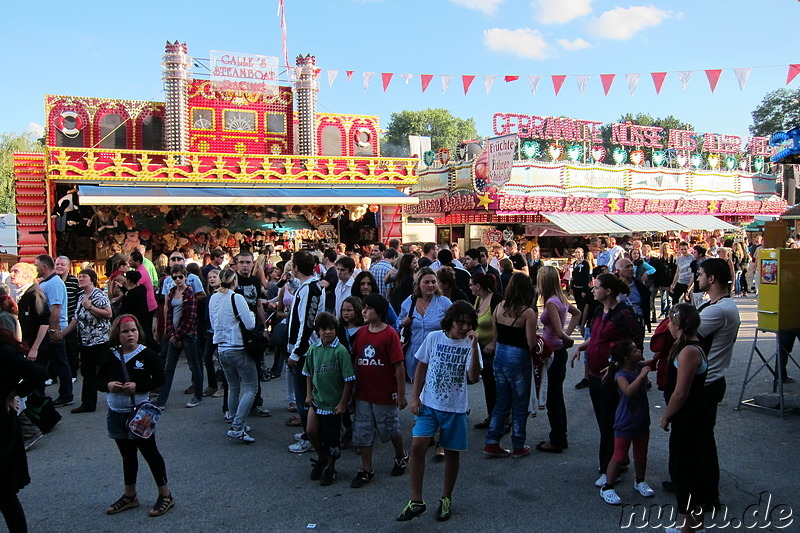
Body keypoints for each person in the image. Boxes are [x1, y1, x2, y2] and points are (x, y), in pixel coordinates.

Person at [397, 301, 482, 522]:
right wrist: (415, 397)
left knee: (452, 454)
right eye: (460, 322)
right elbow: (421, 367)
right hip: (429, 405)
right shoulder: (434, 338)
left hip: (455, 408)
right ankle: (416, 500)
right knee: (417, 447)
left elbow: (473, 377)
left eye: (468, 323)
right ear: (450, 321)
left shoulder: (470, 344)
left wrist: (473, 348)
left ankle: (446, 497)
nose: (464, 327)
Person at [96, 315, 174, 517]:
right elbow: (97, 380)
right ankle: (130, 495)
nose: (130, 335)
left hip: (141, 414)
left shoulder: (146, 354)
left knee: (150, 453)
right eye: (125, 331)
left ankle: (165, 494)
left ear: (139, 331)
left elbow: (160, 379)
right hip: (116, 414)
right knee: (127, 455)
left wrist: (138, 387)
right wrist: (108, 385)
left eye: (133, 330)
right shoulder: (110, 355)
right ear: (117, 335)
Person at [570, 273, 641, 487]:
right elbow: (598, 336)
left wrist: (619, 368)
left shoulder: (624, 313)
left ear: (608, 291)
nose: (593, 290)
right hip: (595, 375)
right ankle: (619, 458)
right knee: (603, 421)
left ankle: (609, 469)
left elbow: (636, 344)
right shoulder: (601, 310)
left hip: (611, 377)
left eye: (596, 287)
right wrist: (583, 346)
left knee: (610, 422)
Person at [659, 304, 716, 533]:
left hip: (689, 420)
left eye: (671, 322)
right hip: (691, 419)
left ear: (680, 325)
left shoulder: (689, 351)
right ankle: (693, 526)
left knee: (684, 473)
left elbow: (681, 392)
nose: (669, 327)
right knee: (690, 471)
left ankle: (688, 528)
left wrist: (665, 416)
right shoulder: (687, 347)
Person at [350, 294, 409, 489]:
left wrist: (401, 394)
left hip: (385, 393)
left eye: (368, 308)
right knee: (363, 430)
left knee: (390, 427)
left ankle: (401, 455)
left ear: (380, 311)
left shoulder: (389, 334)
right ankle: (367, 469)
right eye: (363, 308)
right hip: (363, 393)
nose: (364, 311)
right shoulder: (361, 333)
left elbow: (399, 366)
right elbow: (355, 359)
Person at [483, 273, 538, 458]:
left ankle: (492, 441)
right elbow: (531, 343)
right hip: (518, 356)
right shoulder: (527, 312)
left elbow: (495, 335)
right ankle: (518, 444)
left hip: (501, 355)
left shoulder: (499, 307)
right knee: (520, 403)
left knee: (502, 401)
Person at [0, 328, 49, 533]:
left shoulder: (4, 352)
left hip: (2, 431)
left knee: (4, 494)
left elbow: (39, 373)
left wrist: (14, 392)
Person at [598, 339, 655, 505]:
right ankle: (607, 487)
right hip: (625, 421)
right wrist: (643, 375)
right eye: (635, 350)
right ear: (627, 358)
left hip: (641, 420)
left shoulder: (639, 365)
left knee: (641, 453)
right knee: (619, 455)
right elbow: (628, 392)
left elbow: (656, 361)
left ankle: (640, 480)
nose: (639, 352)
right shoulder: (621, 375)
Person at [303, 312, 356, 486]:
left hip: (333, 404)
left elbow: (348, 380)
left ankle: (331, 467)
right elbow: (308, 373)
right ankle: (321, 457)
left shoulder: (340, 352)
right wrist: (309, 394)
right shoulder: (313, 349)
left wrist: (342, 403)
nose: (328, 332)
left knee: (332, 437)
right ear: (318, 331)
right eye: (324, 329)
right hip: (317, 400)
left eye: (331, 328)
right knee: (311, 430)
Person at [209, 268, 258, 442]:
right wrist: (251, 314)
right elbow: (250, 324)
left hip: (221, 348)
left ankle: (235, 419)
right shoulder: (236, 297)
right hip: (237, 347)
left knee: (233, 387)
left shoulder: (213, 298)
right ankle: (238, 426)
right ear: (234, 281)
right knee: (251, 387)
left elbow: (212, 323)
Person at [286, 250, 327, 454]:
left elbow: (306, 324)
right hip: (305, 349)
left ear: (295, 267)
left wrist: (296, 352)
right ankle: (307, 432)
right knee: (305, 396)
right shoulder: (310, 286)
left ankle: (310, 437)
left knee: (305, 397)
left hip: (305, 352)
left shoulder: (311, 289)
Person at [536, 266, 580, 453]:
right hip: (556, 348)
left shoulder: (551, 303)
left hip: (552, 350)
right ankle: (560, 435)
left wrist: (566, 338)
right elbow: (576, 314)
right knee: (556, 394)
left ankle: (557, 438)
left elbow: (558, 330)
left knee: (553, 395)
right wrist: (565, 335)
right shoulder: (560, 298)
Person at [59, 269, 112, 414]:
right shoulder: (81, 296)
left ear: (92, 279)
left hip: (99, 341)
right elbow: (76, 318)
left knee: (106, 371)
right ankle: (88, 403)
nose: (80, 279)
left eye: (84, 277)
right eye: (79, 277)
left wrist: (90, 307)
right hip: (85, 341)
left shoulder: (98, 295)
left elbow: (108, 314)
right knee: (87, 373)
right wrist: (62, 335)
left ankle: (119, 399)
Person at [156, 264, 203, 409]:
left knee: (194, 365)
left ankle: (198, 395)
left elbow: (190, 317)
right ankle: (161, 400)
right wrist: (170, 334)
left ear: (185, 277)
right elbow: (168, 314)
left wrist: (177, 335)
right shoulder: (171, 292)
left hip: (187, 334)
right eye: (174, 277)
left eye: (180, 277)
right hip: (174, 334)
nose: (177, 280)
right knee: (168, 367)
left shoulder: (189, 293)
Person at [399, 268, 453, 380]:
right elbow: (398, 321)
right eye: (426, 282)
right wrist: (403, 322)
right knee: (418, 389)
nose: (431, 285)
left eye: (433, 282)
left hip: (438, 354)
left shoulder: (444, 302)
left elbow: (454, 326)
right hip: (415, 354)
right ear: (418, 284)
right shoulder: (410, 301)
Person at [35, 255, 74, 407]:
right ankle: (39, 394)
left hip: (54, 329)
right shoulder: (46, 282)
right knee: (44, 363)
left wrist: (53, 330)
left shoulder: (54, 284)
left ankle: (66, 395)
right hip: (47, 329)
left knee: (60, 363)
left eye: (36, 265)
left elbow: (56, 308)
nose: (34, 268)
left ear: (44, 267)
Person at [469, 272, 503, 429]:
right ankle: (491, 415)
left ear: (478, 286)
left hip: (493, 348)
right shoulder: (478, 299)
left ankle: (503, 417)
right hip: (480, 347)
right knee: (488, 384)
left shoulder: (495, 299)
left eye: (471, 284)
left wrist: (494, 343)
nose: (469, 287)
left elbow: (501, 323)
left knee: (498, 384)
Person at [54, 256, 81, 380]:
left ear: (68, 267)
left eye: (62, 264)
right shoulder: (51, 281)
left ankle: (73, 373)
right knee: (54, 347)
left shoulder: (75, 282)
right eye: (57, 264)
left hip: (71, 319)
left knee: (71, 347)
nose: (59, 266)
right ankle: (53, 374)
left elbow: (79, 300)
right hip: (54, 319)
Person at [118, 271, 155, 350]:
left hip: (136, 318)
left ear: (128, 280)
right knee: (148, 333)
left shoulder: (131, 294)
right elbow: (129, 293)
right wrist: (122, 288)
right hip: (144, 315)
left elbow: (125, 305)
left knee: (143, 336)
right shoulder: (142, 288)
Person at [669, 242, 693, 307]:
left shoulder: (692, 258)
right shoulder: (679, 259)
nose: (684, 251)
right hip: (680, 281)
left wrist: (690, 285)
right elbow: (677, 272)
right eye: (682, 249)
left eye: (685, 249)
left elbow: (694, 273)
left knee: (688, 301)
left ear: (688, 248)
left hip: (688, 282)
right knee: (675, 300)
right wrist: (673, 284)